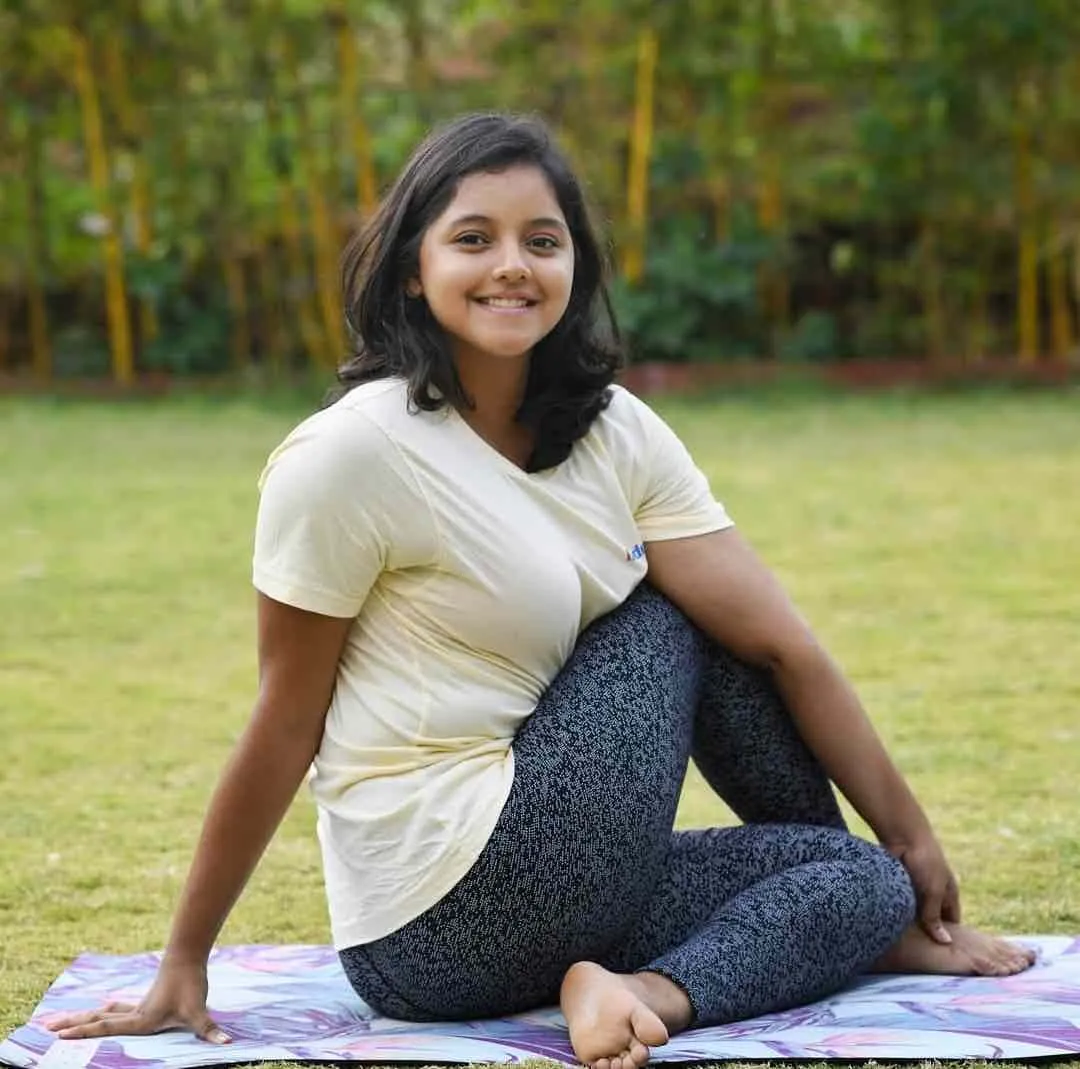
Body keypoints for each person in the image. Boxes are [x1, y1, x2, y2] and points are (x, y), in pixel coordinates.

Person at [47, 112, 1035, 1069]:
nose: (512, 264)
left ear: (577, 269)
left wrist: (906, 845)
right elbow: (283, 718)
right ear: (411, 268)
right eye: (474, 238)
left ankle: (647, 991)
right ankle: (822, 931)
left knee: (859, 878)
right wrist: (185, 959)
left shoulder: (618, 433)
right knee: (670, 611)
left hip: (561, 884)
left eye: (543, 240)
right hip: (425, 924)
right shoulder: (352, 453)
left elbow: (788, 646)